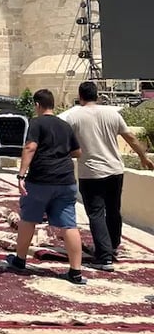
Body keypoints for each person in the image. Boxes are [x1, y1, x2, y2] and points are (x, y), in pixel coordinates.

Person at [60, 80, 152, 270]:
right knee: (113, 209)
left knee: (95, 213)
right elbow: (130, 137)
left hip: (91, 171)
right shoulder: (112, 114)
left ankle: (104, 256)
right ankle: (113, 245)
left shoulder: (74, 117)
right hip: (115, 169)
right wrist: (143, 156)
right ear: (97, 95)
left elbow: (67, 144)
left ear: (80, 96)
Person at [4, 89, 85, 284]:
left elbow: (30, 147)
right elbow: (77, 152)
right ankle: (76, 271)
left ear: (37, 105)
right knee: (69, 225)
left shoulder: (36, 123)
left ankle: (20, 260)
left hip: (41, 180)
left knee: (28, 219)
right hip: (65, 181)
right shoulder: (65, 125)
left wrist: (21, 175)